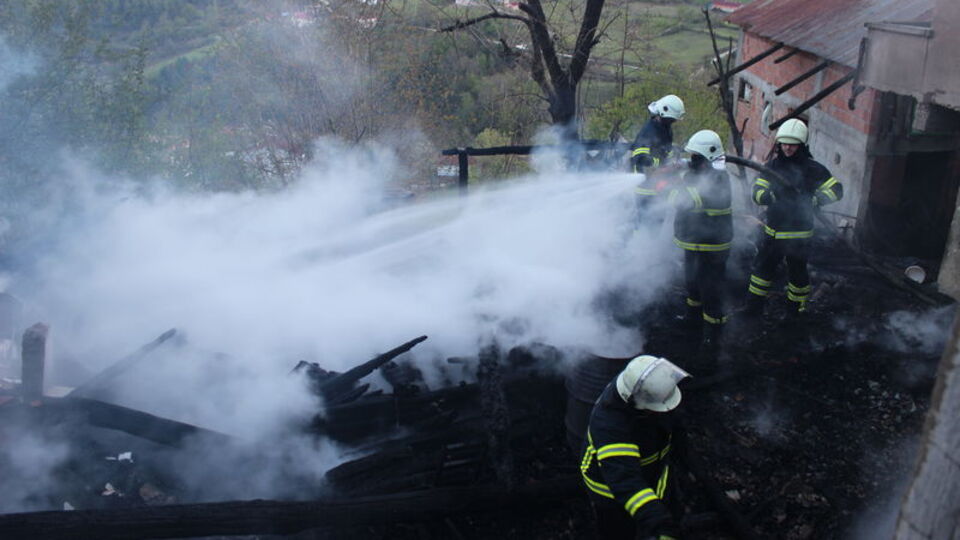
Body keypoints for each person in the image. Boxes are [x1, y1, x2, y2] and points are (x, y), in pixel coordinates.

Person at [580, 355, 690, 540]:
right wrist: (661, 525)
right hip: (613, 495)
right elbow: (627, 484)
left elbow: (673, 424)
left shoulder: (637, 390)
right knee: (620, 532)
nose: (665, 409)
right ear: (638, 403)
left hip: (653, 476)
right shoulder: (611, 427)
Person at [744, 119, 843, 319]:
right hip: (773, 233)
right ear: (779, 143)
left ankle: (795, 313)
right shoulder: (772, 166)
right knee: (761, 272)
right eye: (784, 143)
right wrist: (767, 196)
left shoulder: (814, 169)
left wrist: (815, 199)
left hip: (799, 236)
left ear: (802, 144)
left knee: (797, 275)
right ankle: (753, 310)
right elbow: (757, 190)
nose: (788, 148)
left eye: (793, 144)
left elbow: (836, 190)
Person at [668, 130, 732, 354]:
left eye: (695, 157)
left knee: (711, 292)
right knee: (692, 284)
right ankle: (692, 321)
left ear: (706, 157)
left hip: (712, 246)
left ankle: (712, 340)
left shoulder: (717, 179)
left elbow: (686, 200)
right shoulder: (701, 175)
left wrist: (672, 185)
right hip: (694, 243)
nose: (691, 160)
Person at [631, 95, 685, 228]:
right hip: (646, 188)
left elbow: (664, 151)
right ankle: (640, 246)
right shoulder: (649, 131)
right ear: (663, 113)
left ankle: (650, 246)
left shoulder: (664, 128)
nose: (673, 122)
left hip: (658, 186)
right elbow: (640, 159)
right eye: (672, 119)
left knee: (657, 222)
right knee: (646, 225)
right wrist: (663, 165)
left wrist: (674, 155)